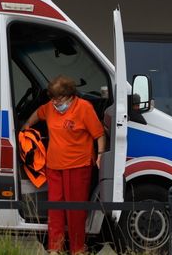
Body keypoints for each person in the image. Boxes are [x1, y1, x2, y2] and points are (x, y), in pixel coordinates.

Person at [21, 75, 105, 255]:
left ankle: (77, 249)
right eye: (52, 99)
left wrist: (99, 155)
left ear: (69, 96)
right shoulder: (50, 107)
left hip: (78, 166)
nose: (55, 103)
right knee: (55, 210)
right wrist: (26, 126)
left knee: (75, 211)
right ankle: (55, 248)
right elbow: (38, 113)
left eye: (58, 99)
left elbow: (99, 135)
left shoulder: (84, 108)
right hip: (54, 166)